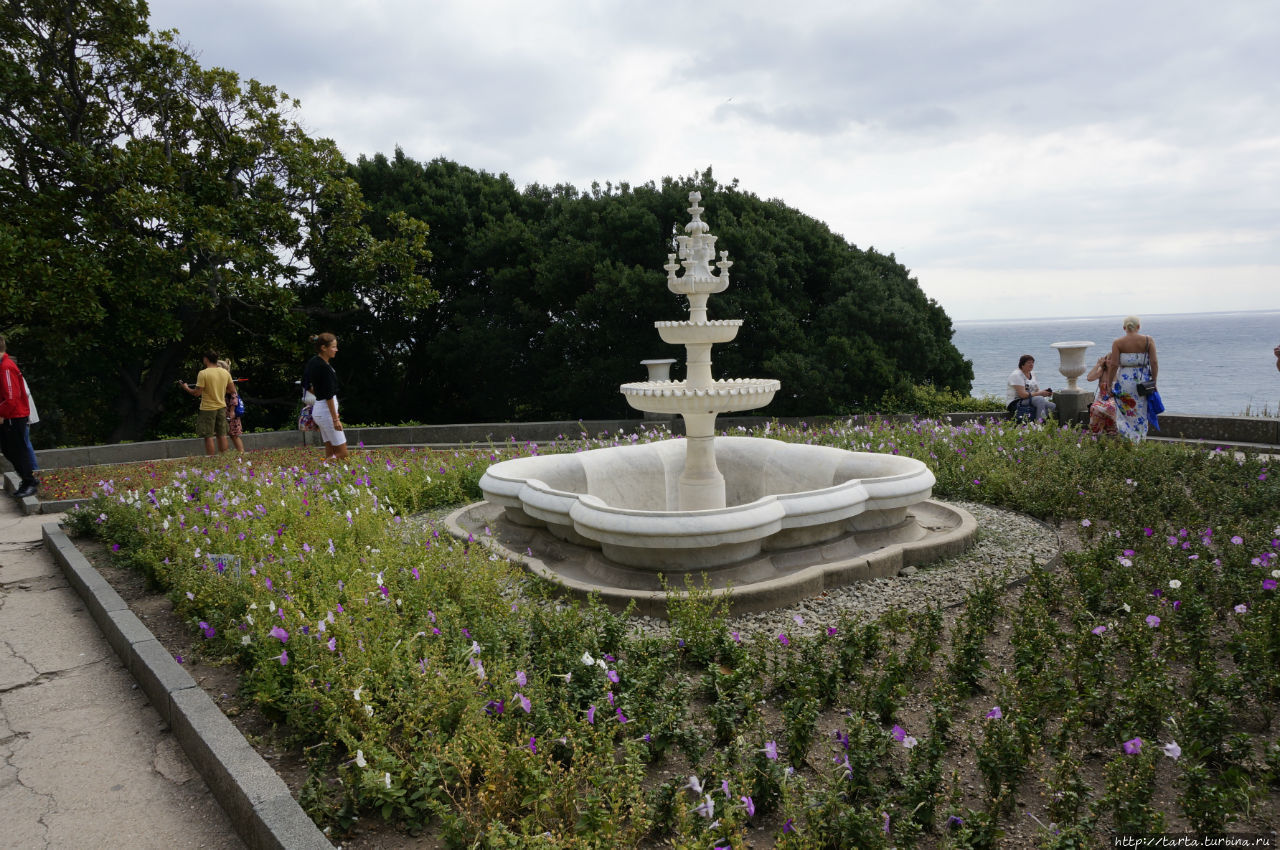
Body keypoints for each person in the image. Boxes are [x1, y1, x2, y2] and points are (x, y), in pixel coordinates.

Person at [1109, 316, 1158, 443]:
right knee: (1141, 413)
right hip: (1143, 383)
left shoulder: (1118, 343)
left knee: (1124, 414)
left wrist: (1110, 384)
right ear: (1138, 327)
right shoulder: (1148, 340)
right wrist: (1154, 381)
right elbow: (1154, 362)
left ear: (1124, 328)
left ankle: (1129, 441)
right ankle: (1139, 441)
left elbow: (1113, 365)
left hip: (1124, 382)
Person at [0, 335, 38, 498]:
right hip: (9, 416)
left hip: (14, 416)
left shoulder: (6, 367)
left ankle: (29, 481)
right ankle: (27, 480)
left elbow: (11, 398)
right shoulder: (3, 366)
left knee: (18, 450)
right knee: (10, 450)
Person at [301, 333, 348, 460]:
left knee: (331, 452)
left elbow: (305, 383)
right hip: (327, 413)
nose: (336, 350)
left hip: (320, 410)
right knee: (343, 454)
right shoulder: (324, 367)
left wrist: (319, 393)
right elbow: (329, 395)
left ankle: (326, 477)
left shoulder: (314, 361)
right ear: (323, 348)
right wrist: (335, 419)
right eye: (333, 347)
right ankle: (318, 474)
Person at [178, 351, 233, 455]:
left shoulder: (203, 373)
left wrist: (186, 388)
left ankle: (211, 459)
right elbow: (232, 390)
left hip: (208, 408)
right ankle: (225, 458)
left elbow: (197, 393)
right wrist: (219, 390)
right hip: (221, 407)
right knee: (222, 434)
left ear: (206, 359)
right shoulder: (225, 372)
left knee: (208, 436)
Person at [1006, 354, 1056, 422]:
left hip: (1029, 399)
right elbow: (1022, 395)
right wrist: (1039, 393)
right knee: (1040, 400)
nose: (1031, 364)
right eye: (1029, 363)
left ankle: (1038, 421)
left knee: (1052, 406)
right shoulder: (1016, 375)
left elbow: (1036, 391)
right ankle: (1039, 426)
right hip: (1015, 402)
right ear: (1022, 364)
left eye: (1032, 362)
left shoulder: (1032, 373)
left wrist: (1044, 393)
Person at [217, 359, 245, 453]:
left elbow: (234, 397)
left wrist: (232, 411)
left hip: (230, 412)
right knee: (221, 435)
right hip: (221, 412)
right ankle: (224, 455)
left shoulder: (228, 382)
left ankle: (241, 453)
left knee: (234, 435)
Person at [1086, 353, 1117, 436]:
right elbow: (1089, 378)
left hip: (1115, 399)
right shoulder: (1102, 371)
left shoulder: (1119, 372)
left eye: (1111, 359)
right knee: (1094, 408)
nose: (1108, 361)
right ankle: (1095, 431)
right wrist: (1097, 365)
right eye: (1107, 358)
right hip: (1101, 399)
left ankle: (1111, 428)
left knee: (1111, 407)